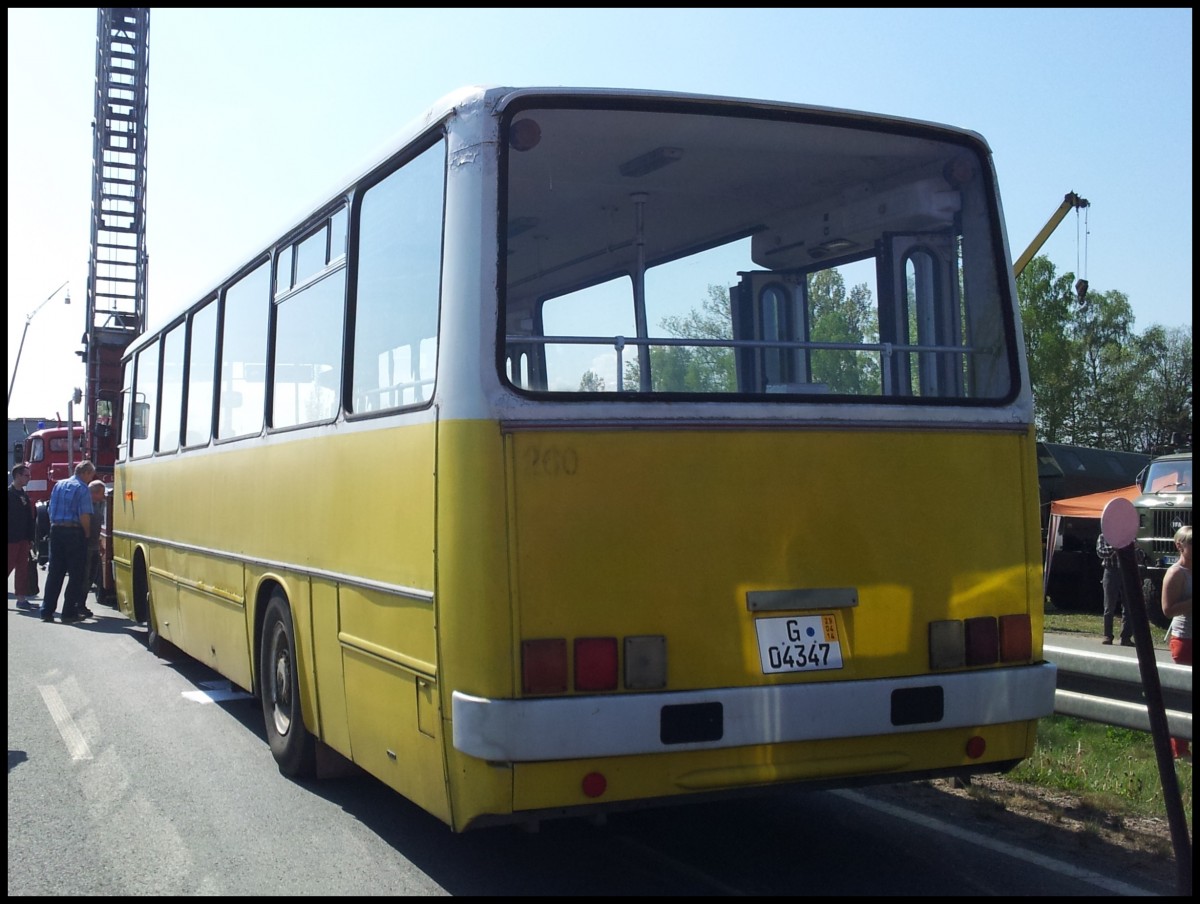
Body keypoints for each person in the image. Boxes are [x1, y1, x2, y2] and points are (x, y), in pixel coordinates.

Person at [39, 459, 96, 624]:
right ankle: (68, 612)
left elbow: (50, 509)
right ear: (85, 473)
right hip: (74, 532)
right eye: (91, 475)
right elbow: (84, 515)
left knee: (55, 573)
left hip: (56, 530)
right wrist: (86, 534)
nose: (91, 478)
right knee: (76, 574)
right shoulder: (82, 488)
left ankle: (47, 611)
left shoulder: (59, 484)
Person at [1160, 524, 1192, 760]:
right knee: (1183, 695)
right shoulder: (1176, 573)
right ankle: (1179, 750)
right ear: (1180, 546)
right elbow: (1167, 609)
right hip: (1184, 639)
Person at [8, 464, 39, 610]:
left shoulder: (24, 495)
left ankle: (21, 599)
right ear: (18, 476)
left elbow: (29, 518)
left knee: (22, 569)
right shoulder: (9, 494)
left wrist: (31, 538)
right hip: (10, 539)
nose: (29, 478)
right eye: (26, 475)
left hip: (23, 539)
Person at [1096, 532, 1133, 646]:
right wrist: (1115, 547)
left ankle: (1125, 637)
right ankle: (1107, 635)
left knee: (1128, 606)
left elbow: (1138, 552)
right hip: (1110, 571)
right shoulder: (1104, 536)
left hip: (1127, 571)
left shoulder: (1129, 536)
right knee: (1109, 606)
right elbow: (1101, 552)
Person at [86, 479, 107, 605]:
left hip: (94, 544)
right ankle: (78, 604)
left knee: (92, 575)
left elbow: (98, 527)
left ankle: (80, 604)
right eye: (102, 493)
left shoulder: (97, 505)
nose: (103, 496)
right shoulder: (86, 506)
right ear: (94, 493)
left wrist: (99, 544)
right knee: (85, 576)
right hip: (87, 546)